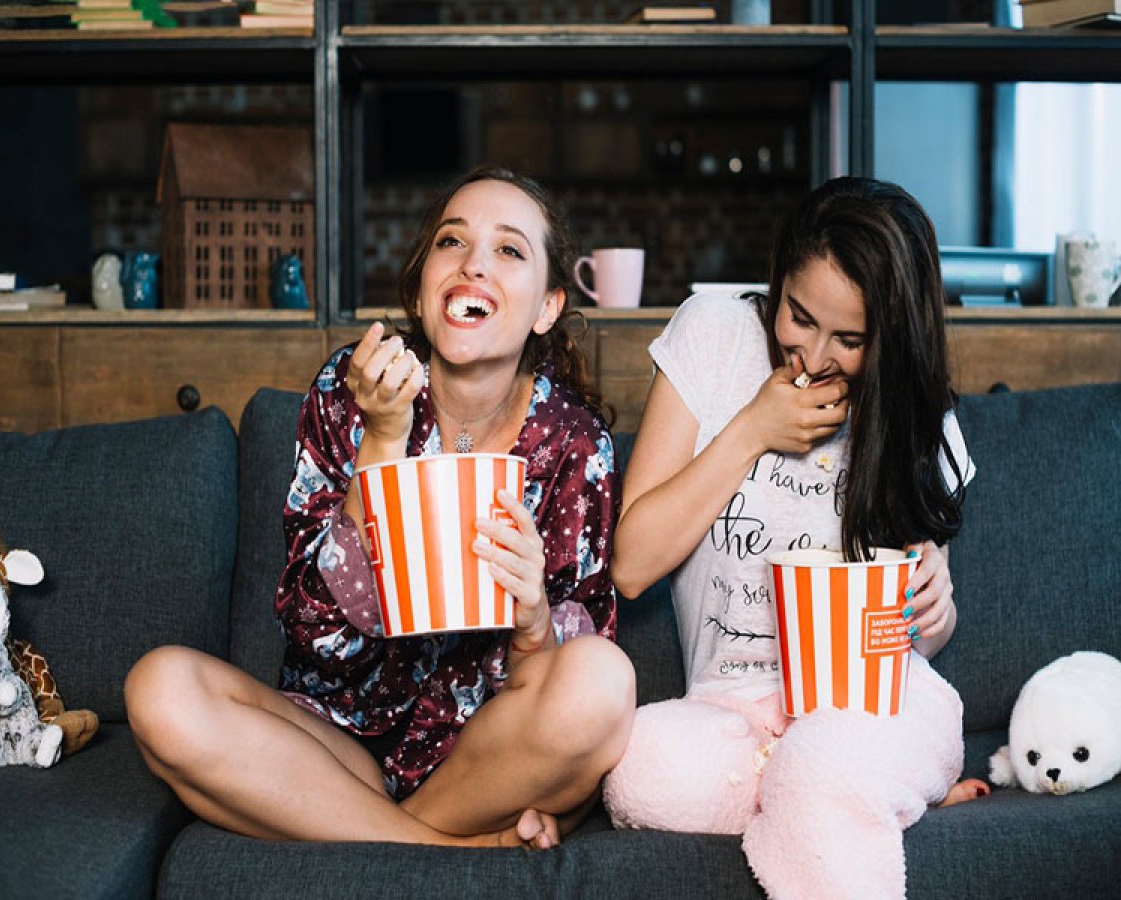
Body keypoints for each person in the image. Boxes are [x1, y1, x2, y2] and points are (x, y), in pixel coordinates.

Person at [125, 165, 635, 850]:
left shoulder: (573, 441)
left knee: (604, 682)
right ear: (422, 292)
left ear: (547, 307)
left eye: (509, 249)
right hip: (332, 747)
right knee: (159, 688)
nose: (474, 263)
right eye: (452, 242)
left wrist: (535, 618)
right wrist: (384, 440)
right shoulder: (350, 391)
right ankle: (445, 850)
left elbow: (567, 681)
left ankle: (373, 833)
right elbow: (318, 637)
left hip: (483, 762)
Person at [602, 177, 987, 899]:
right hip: (733, 716)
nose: (811, 356)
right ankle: (861, 800)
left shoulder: (913, 412)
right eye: (799, 317)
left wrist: (936, 606)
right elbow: (630, 565)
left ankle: (839, 787)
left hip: (872, 707)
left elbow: (919, 638)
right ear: (778, 280)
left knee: (823, 761)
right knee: (641, 770)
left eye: (850, 340)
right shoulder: (714, 334)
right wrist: (752, 429)